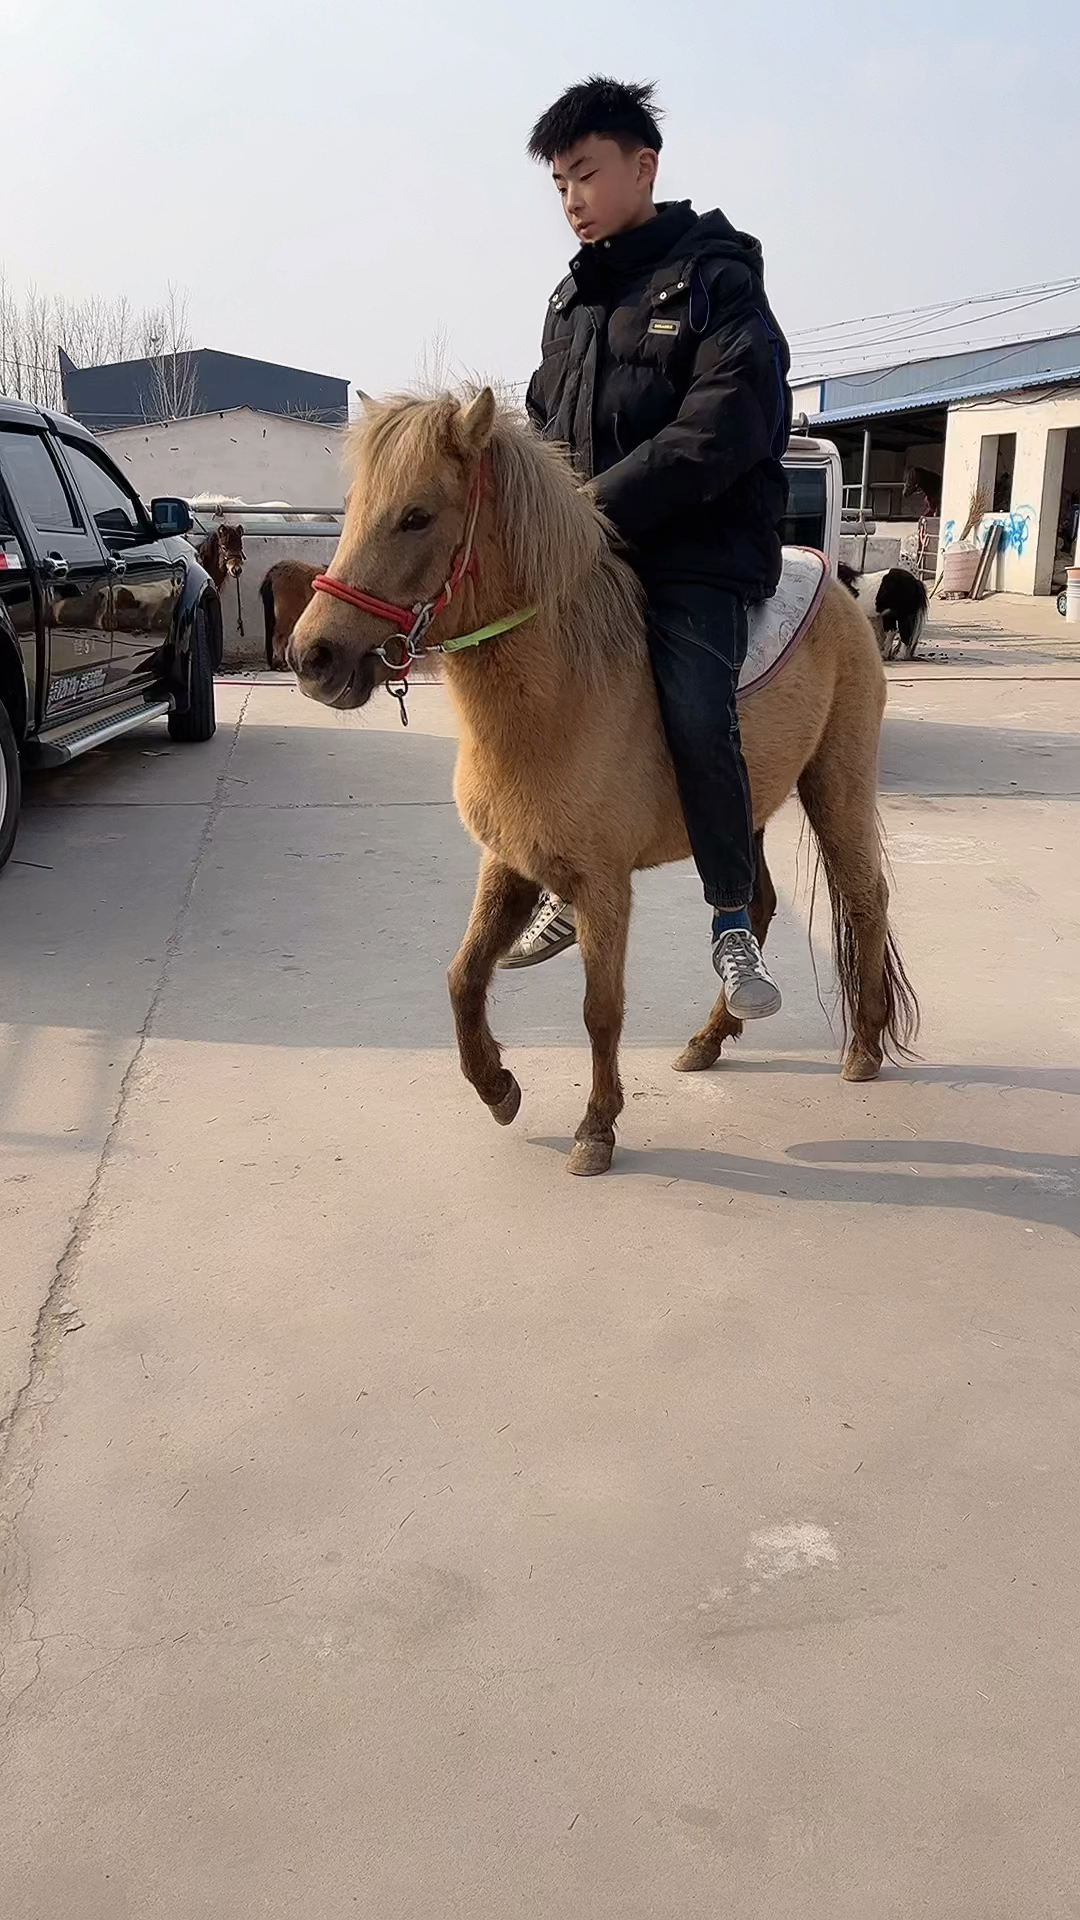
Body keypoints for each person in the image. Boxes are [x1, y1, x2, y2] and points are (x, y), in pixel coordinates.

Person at [500, 76, 791, 1020]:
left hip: (694, 554)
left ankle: (731, 920)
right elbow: (545, 427)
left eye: (584, 175)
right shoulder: (570, 301)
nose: (572, 200)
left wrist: (592, 514)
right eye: (557, 187)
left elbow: (725, 425)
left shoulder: (717, 282)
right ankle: (557, 879)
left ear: (643, 166)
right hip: (590, 554)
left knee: (698, 712)